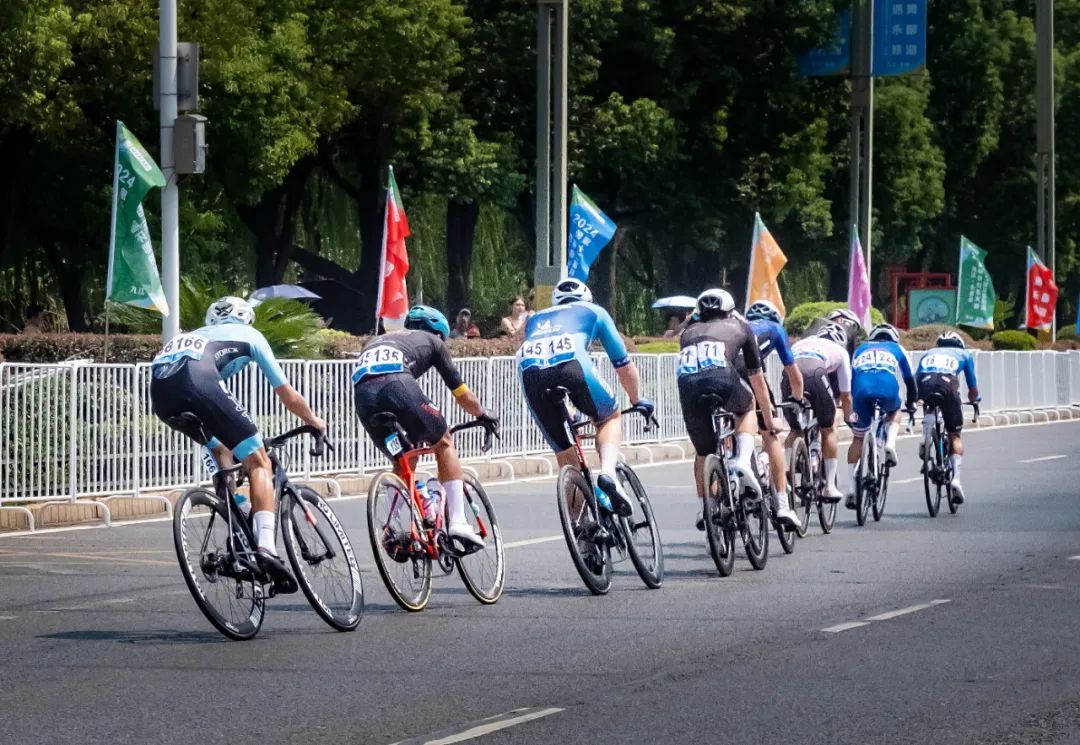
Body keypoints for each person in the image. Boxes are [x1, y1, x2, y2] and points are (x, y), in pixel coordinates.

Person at [150, 296, 326, 594]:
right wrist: (314, 420)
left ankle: (238, 529)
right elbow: (286, 394)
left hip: (161, 396)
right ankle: (266, 548)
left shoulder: (194, 335)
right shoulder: (250, 334)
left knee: (222, 451)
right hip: (198, 382)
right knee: (259, 462)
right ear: (247, 318)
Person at [353, 305, 497, 550]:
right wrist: (482, 414)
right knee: (443, 442)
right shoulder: (434, 341)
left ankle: (391, 527)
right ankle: (459, 523)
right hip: (396, 385)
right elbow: (462, 395)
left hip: (364, 398)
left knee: (403, 459)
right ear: (438, 332)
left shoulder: (380, 340)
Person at [517, 277, 653, 516]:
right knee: (609, 417)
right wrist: (637, 400)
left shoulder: (534, 319)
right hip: (573, 365)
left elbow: (545, 365)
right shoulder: (594, 311)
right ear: (586, 298)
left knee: (565, 455)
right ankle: (608, 474)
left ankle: (580, 529)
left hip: (531, 376)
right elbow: (623, 365)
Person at [677, 289, 780, 530]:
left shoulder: (687, 333)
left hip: (688, 388)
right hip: (723, 378)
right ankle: (742, 461)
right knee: (747, 405)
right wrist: (768, 420)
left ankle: (705, 507)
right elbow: (758, 381)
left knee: (703, 453)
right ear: (730, 311)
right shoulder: (740, 327)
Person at [737, 299, 804, 528]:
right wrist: (797, 398)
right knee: (771, 434)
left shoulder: (737, 325)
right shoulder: (775, 328)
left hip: (723, 374)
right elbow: (793, 373)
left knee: (734, 426)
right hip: (750, 373)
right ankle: (783, 504)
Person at [845, 323, 918, 508]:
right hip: (887, 387)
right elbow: (910, 380)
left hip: (861, 390)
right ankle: (890, 444)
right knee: (894, 411)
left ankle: (852, 489)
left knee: (858, 438)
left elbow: (850, 377)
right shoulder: (897, 348)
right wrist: (911, 403)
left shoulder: (860, 349)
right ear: (894, 338)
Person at [782, 322, 853, 502]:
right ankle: (829, 486)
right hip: (816, 374)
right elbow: (845, 395)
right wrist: (848, 416)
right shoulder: (841, 351)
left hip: (790, 377)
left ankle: (786, 475)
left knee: (795, 429)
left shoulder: (800, 343)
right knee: (827, 429)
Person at [915, 331, 979, 503]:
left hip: (925, 382)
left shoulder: (928, 353)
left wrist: (915, 398)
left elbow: (916, 376)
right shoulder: (964, 354)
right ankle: (956, 479)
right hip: (948, 384)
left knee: (929, 404)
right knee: (954, 435)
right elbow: (972, 386)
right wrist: (975, 399)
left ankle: (926, 435)